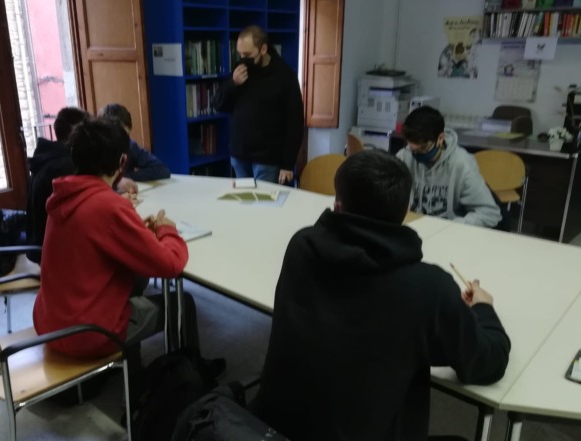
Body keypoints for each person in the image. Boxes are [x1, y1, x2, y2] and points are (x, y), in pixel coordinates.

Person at [251, 150, 511, 441]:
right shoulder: (428, 287)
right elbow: (486, 363)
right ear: (405, 211)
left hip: (272, 430)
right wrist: (483, 309)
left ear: (338, 205)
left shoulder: (302, 246)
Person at [32, 118, 223, 389]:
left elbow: (94, 243)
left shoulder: (64, 196)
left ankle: (134, 375)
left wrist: (136, 231)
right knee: (183, 303)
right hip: (85, 333)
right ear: (122, 162)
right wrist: (168, 231)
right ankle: (190, 377)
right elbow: (171, 265)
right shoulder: (108, 206)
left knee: (135, 282)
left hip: (50, 322)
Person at [214, 25, 304, 185]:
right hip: (239, 155)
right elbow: (218, 104)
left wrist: (287, 164)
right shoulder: (241, 70)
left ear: (263, 49)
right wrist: (233, 84)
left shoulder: (285, 76)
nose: (243, 58)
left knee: (264, 201)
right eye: (240, 54)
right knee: (244, 200)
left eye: (247, 54)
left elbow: (295, 123)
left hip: (268, 159)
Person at [396, 106, 501, 228]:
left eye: (422, 148)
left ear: (440, 138)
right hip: (413, 226)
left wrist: (451, 226)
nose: (416, 154)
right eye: (411, 148)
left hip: (448, 230)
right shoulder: (404, 156)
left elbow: (489, 214)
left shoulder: (462, 164)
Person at [26, 107, 89, 263]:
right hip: (54, 253)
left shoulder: (48, 158)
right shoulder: (64, 166)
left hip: (40, 244)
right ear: (78, 135)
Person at [98, 103, 171, 182]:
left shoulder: (130, 145)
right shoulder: (94, 150)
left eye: (126, 136)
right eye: (118, 136)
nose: (122, 142)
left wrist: (124, 178)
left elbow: (162, 170)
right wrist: (117, 182)